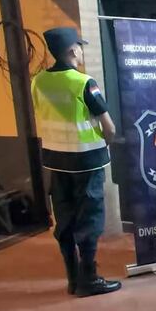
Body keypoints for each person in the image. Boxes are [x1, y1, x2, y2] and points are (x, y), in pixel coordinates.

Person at [31, 27, 121, 297]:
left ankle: (73, 279)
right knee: (89, 220)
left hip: (56, 161)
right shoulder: (83, 82)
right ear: (72, 50)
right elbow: (109, 127)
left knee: (65, 219)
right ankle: (89, 279)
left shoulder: (38, 81)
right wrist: (105, 142)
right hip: (86, 161)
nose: (82, 51)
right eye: (80, 47)